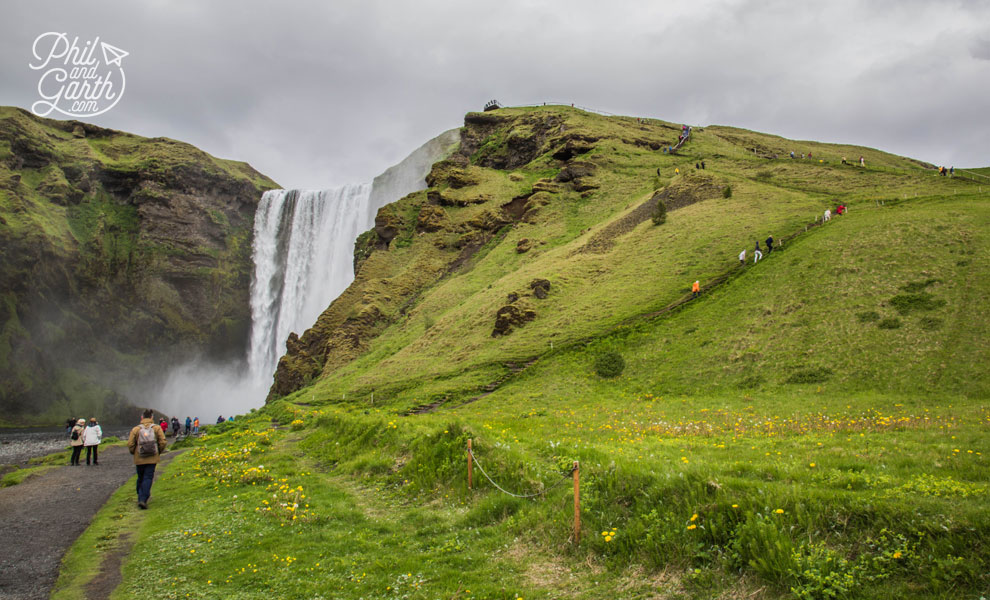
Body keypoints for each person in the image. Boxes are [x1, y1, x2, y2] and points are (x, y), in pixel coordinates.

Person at [128, 409, 167, 509]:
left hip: (139, 458)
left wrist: (134, 452)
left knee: (140, 477)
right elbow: (163, 442)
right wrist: (158, 452)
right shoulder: (157, 428)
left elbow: (130, 444)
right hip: (152, 458)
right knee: (148, 477)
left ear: (142, 417)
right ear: (152, 417)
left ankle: (140, 496)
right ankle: (143, 499)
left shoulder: (136, 429)